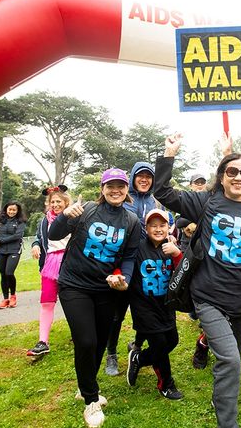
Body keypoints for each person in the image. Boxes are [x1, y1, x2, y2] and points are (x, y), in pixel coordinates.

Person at [154, 133, 241, 428]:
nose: (239, 176)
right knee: (231, 360)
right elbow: (164, 192)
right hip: (209, 297)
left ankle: (221, 396)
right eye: (232, 171)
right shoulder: (206, 201)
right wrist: (169, 154)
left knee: (232, 359)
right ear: (221, 175)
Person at [50, 168, 141, 428]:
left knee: (100, 341)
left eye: (121, 186)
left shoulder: (132, 221)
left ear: (127, 190)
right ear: (102, 189)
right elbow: (54, 235)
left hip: (106, 289)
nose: (116, 190)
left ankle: (84, 384)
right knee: (86, 340)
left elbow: (130, 256)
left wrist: (123, 277)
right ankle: (91, 400)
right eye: (110, 186)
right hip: (74, 285)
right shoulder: (86, 210)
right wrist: (65, 216)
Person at [105, 161, 162, 376]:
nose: (145, 179)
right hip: (123, 264)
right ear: (133, 178)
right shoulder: (124, 200)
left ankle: (136, 345)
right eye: (140, 175)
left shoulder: (157, 202)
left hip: (147, 265)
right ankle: (111, 353)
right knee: (117, 314)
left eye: (149, 176)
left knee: (147, 310)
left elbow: (165, 224)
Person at [126, 208, 184, 400]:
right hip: (144, 307)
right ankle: (166, 384)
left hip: (166, 306)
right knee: (159, 345)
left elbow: (185, 272)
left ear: (169, 227)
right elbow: (123, 262)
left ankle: (139, 358)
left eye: (162, 225)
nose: (158, 229)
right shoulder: (138, 248)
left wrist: (176, 254)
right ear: (146, 227)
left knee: (172, 341)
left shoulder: (171, 248)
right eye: (153, 225)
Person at [27, 186, 71, 357]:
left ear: (66, 202)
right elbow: (39, 237)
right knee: (47, 302)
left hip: (69, 263)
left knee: (72, 301)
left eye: (58, 201)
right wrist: (36, 245)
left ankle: (80, 333)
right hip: (49, 264)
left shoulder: (73, 218)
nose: (55, 204)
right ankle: (43, 341)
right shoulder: (45, 220)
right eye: (52, 202)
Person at [0, 201, 27, 309]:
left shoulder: (21, 221)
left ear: (17, 211)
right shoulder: (1, 220)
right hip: (1, 251)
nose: (11, 211)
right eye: (10, 209)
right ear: (6, 209)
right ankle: (5, 299)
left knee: (9, 272)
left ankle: (13, 296)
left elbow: (17, 236)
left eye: (14, 210)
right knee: (3, 274)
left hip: (14, 250)